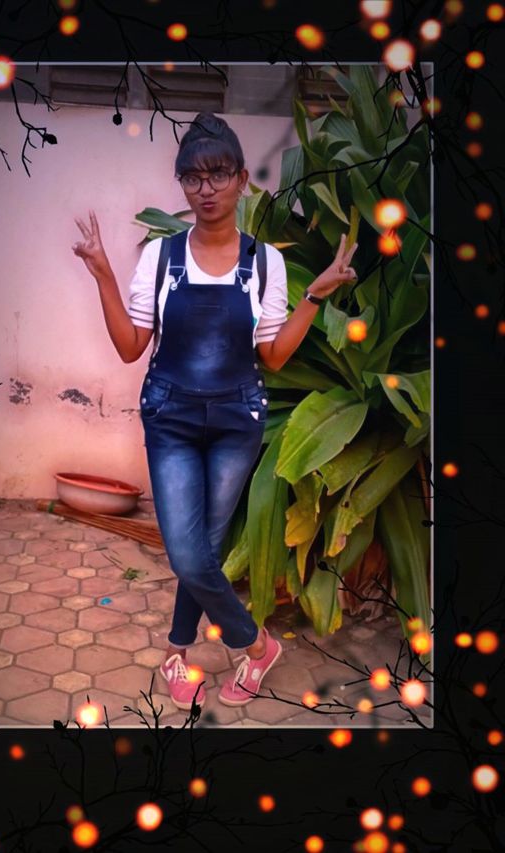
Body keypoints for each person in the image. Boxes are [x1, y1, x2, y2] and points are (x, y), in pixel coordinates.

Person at [72, 112, 357, 712]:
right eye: (193, 177)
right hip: (170, 418)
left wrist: (313, 296)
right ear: (181, 182)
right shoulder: (160, 256)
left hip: (236, 421)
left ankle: (176, 654)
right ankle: (256, 645)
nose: (206, 189)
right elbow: (130, 347)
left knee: (200, 547)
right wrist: (103, 275)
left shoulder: (265, 263)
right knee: (187, 552)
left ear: (241, 179)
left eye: (219, 174)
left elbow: (273, 356)